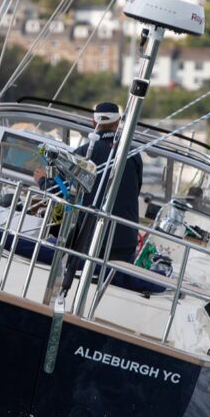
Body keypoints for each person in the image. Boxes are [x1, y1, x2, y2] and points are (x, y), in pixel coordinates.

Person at [37, 102, 161, 294]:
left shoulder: (82, 155)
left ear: (92, 121)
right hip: (125, 239)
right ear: (118, 122)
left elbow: (57, 191)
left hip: (91, 237)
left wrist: (41, 180)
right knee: (114, 291)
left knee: (82, 285)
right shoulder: (134, 155)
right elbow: (134, 191)